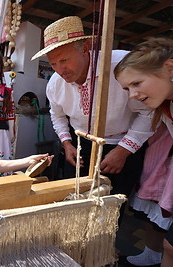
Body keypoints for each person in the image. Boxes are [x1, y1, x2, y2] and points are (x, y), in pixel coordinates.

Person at [31, 16, 154, 224]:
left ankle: (102, 254)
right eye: (53, 63)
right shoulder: (54, 83)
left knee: (110, 210)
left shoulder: (121, 66)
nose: (60, 70)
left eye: (64, 60)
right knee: (73, 203)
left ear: (85, 47)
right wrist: (67, 143)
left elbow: (149, 111)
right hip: (80, 147)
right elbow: (57, 115)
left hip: (122, 145)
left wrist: (124, 150)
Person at [114, 38, 173, 267]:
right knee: (169, 247)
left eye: (137, 83)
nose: (132, 94)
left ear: (169, 68)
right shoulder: (165, 108)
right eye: (127, 88)